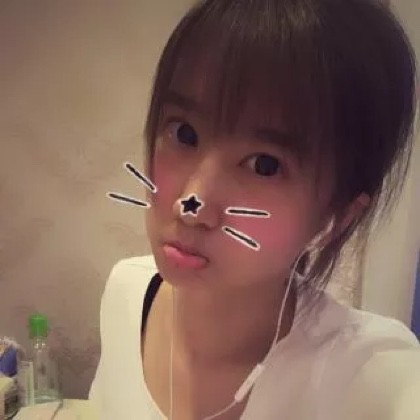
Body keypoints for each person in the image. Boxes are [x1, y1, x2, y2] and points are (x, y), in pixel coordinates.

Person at [89, 0, 420, 419]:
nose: (193, 204)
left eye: (265, 165)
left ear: (336, 216)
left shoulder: (376, 376)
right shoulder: (125, 293)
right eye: (184, 133)